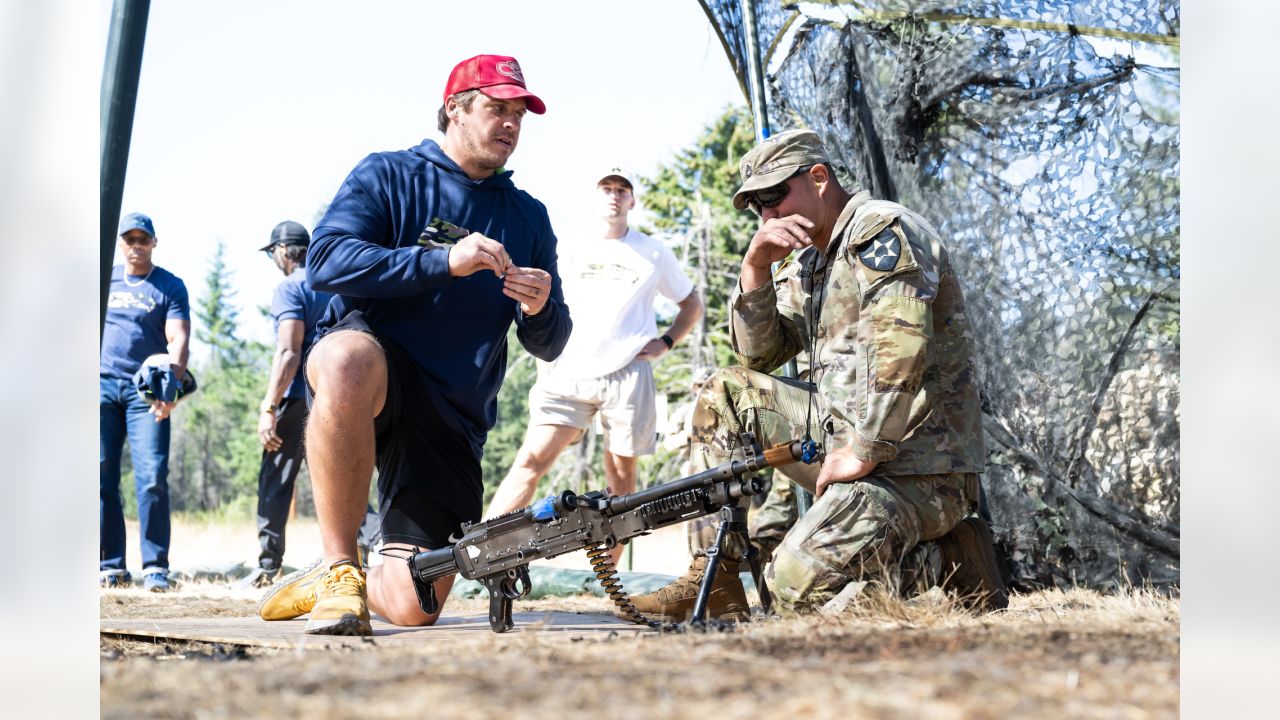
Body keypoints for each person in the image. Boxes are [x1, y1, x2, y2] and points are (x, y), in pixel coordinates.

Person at [630, 129, 1006, 620]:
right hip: (844, 444)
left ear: (819, 178)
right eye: (756, 206)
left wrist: (866, 450)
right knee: (724, 393)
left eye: (774, 196)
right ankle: (713, 576)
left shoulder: (881, 231)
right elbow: (759, 358)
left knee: (789, 594)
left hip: (920, 469)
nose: (767, 215)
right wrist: (755, 270)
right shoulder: (809, 261)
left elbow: (902, 347)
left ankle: (951, 559)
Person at [257, 54, 571, 636]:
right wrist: (441, 261)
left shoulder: (528, 216)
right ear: (454, 108)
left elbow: (550, 343)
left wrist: (538, 307)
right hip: (375, 370)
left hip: (449, 419)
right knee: (346, 357)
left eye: (520, 114)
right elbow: (325, 261)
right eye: (496, 108)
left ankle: (332, 578)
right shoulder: (389, 174)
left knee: (412, 608)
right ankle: (341, 567)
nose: (510, 124)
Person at [484, 167, 703, 567]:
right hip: (568, 369)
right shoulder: (569, 247)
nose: (614, 196)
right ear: (594, 196)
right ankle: (484, 554)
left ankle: (605, 573)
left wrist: (667, 341)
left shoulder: (652, 251)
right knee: (530, 460)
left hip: (627, 372)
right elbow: (541, 300)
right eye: (607, 188)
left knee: (620, 479)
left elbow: (692, 305)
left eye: (623, 189)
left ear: (633, 201)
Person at [238, 221, 381, 589]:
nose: (274, 260)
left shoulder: (290, 287)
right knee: (348, 476)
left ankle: (268, 567)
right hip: (342, 396)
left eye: (273, 253)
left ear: (284, 251)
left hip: (301, 396)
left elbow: (288, 352)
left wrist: (269, 406)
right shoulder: (334, 282)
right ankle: (373, 552)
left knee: (276, 481)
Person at [100, 212, 191, 592]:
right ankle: (111, 566)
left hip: (146, 395)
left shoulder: (168, 285)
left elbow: (178, 339)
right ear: (120, 243)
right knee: (99, 473)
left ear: (154, 243)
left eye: (143, 239)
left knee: (152, 478)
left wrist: (170, 390)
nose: (136, 245)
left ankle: (155, 568)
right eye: (129, 239)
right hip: (101, 388)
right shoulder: (102, 280)